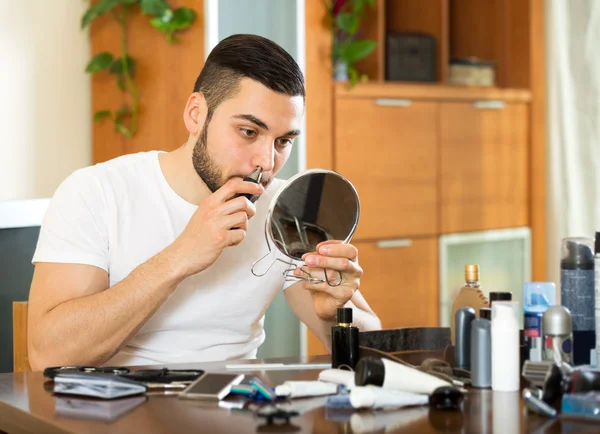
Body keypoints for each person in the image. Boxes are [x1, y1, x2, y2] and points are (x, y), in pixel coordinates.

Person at [27, 34, 381, 370]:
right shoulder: (96, 192)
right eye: (249, 132)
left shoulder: (285, 208)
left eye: (283, 141)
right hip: (119, 410)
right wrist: (180, 257)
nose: (266, 162)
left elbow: (373, 363)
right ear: (196, 114)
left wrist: (337, 310)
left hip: (242, 407)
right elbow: (48, 354)